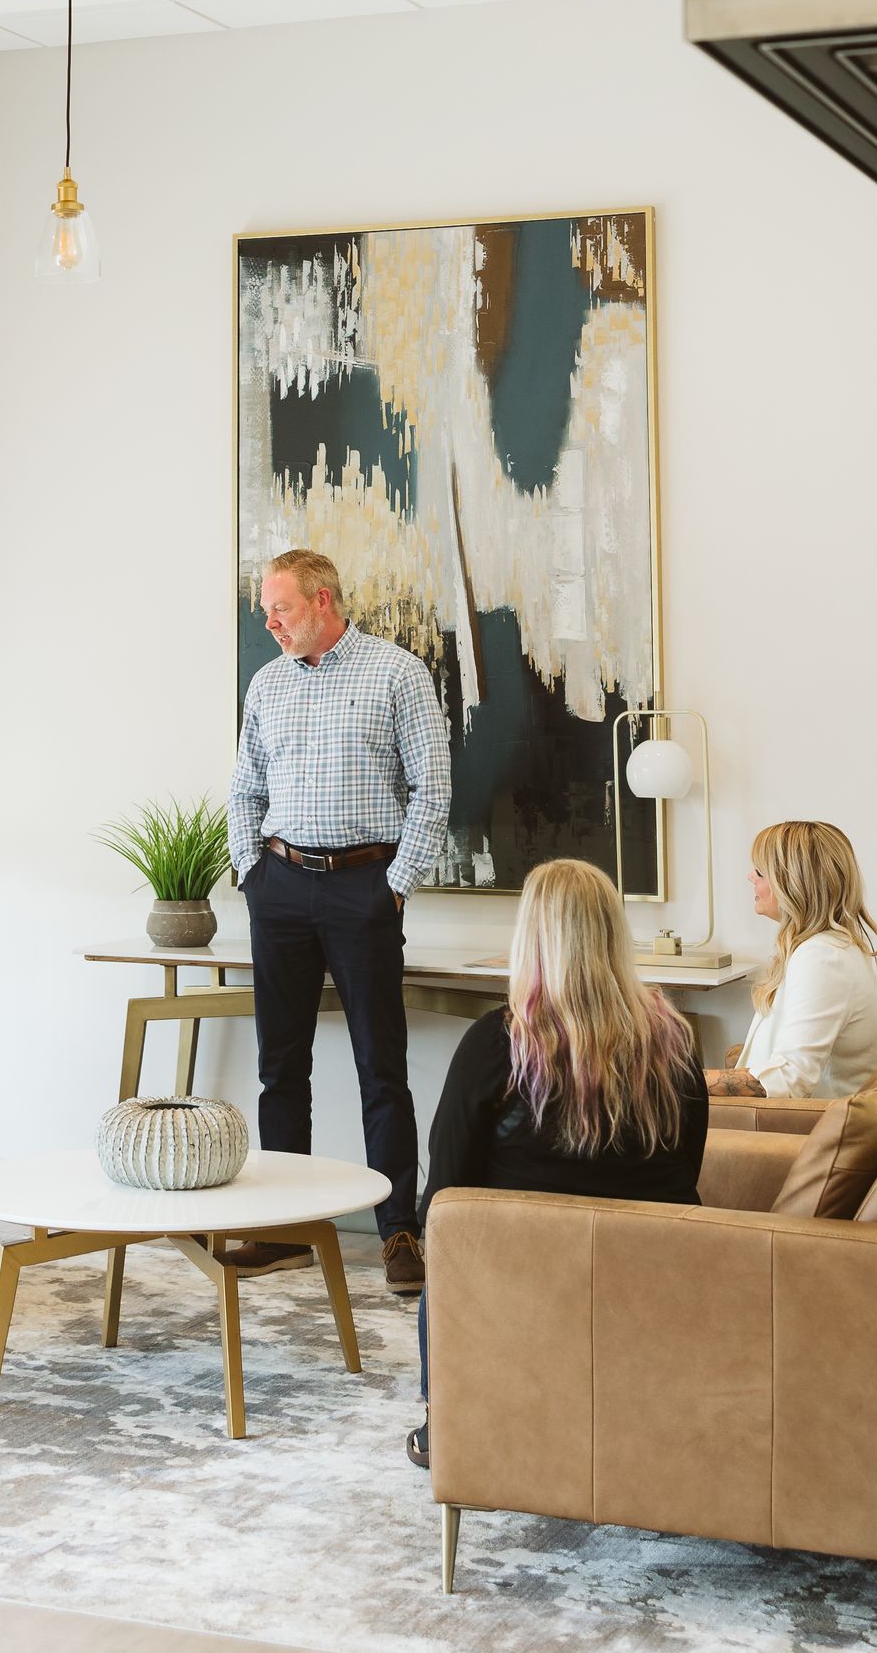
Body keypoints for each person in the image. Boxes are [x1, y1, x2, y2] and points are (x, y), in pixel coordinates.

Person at [407, 856, 707, 1465]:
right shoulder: (675, 1041)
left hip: (524, 1284)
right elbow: (686, 1171)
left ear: (532, 937)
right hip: (656, 1277)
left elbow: (445, 1188)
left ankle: (449, 1424)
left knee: (444, 1252)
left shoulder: (498, 1043)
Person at [226, 546, 451, 1293]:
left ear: (323, 601)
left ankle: (399, 1236)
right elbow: (245, 788)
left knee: (380, 1068)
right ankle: (286, 1231)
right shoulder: (265, 684)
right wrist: (251, 873)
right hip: (281, 886)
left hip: (364, 888)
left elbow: (433, 786)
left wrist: (395, 883)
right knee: (279, 1068)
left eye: (280, 609)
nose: (270, 623)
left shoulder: (396, 673)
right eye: (267, 609)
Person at [706, 819, 877, 1101]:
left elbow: (790, 1079)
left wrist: (682, 1082)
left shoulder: (822, 958)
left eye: (760, 871)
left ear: (791, 883)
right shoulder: (829, 947)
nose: (750, 877)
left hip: (804, 1128)